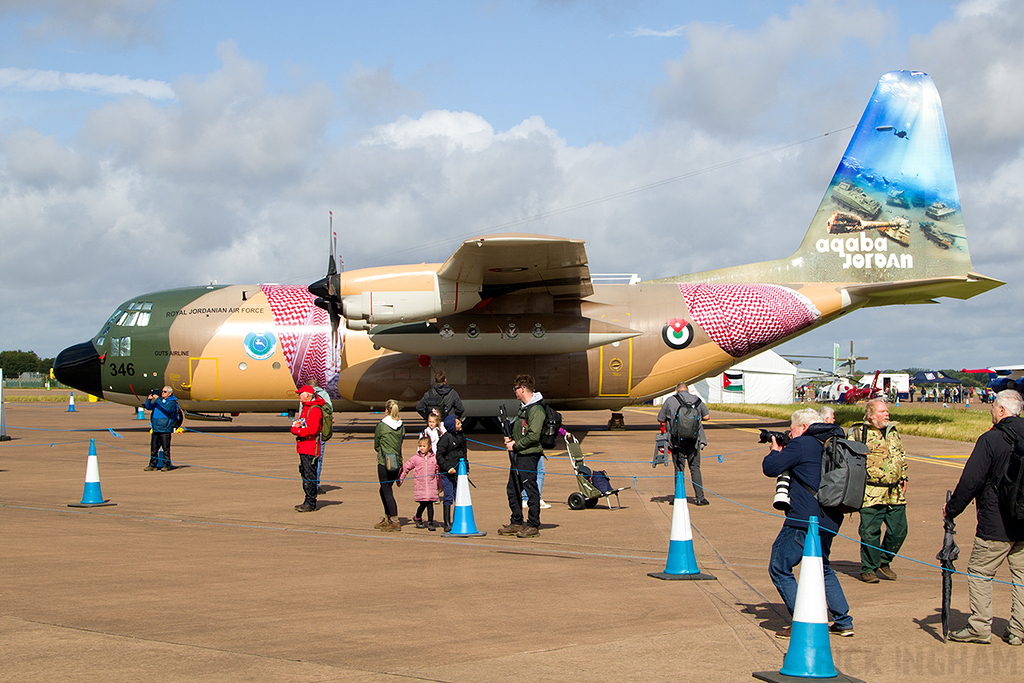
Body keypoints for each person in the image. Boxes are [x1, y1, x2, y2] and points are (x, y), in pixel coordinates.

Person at [762, 408, 854, 639]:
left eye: (793, 430)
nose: (790, 434)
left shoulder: (803, 444)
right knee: (822, 567)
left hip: (804, 518)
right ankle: (843, 620)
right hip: (831, 515)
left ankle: (801, 619)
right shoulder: (832, 442)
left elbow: (770, 469)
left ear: (803, 427)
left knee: (780, 566)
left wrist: (775, 452)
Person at [944, 389, 1024, 646]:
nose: (991, 412)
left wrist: (953, 509)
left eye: (993, 408)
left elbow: (971, 481)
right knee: (1022, 577)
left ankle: (980, 626)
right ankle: (1019, 630)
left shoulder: (991, 439)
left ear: (1002, 411)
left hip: (996, 522)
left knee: (980, 571)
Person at [848, 398, 908, 583]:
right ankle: (869, 568)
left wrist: (904, 476)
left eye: (887, 411)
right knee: (869, 531)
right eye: (882, 412)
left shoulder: (892, 432)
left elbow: (901, 455)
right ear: (871, 416)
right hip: (871, 492)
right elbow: (850, 460)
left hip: (895, 492)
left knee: (899, 530)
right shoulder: (859, 433)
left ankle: (884, 560)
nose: (887, 414)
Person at [500, 374, 544, 538]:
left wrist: (515, 445)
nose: (515, 391)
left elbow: (534, 436)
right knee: (513, 489)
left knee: (530, 490)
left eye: (516, 388)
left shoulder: (536, 410)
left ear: (523, 389)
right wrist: (510, 435)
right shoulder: (524, 407)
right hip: (519, 454)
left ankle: (533, 524)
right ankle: (517, 521)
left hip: (528, 455)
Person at [656, 382, 711, 505]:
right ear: (688, 390)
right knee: (695, 468)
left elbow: (660, 418)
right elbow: (707, 416)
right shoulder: (696, 400)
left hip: (676, 440)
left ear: (676, 391)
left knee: (679, 469)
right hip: (694, 440)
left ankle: (679, 497)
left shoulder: (670, 400)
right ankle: (700, 498)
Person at [290, 385, 324, 512]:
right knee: (304, 472)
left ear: (308, 395)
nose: (299, 396)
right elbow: (302, 423)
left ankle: (310, 502)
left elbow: (312, 430)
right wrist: (297, 428)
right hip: (304, 446)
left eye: (301, 394)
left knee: (309, 474)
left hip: (310, 447)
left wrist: (297, 431)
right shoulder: (306, 407)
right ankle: (307, 500)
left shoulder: (314, 409)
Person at [374, 398, 405, 531]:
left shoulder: (382, 425)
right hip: (397, 460)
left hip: (384, 461)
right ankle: (388, 517)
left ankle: (395, 520)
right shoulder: (401, 426)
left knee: (386, 490)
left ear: (386, 410)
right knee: (384, 489)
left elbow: (376, 444)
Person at [399, 436, 440, 530]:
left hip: (431, 485)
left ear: (429, 447)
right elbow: (406, 468)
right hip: (420, 486)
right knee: (423, 504)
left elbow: (438, 472)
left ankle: (430, 522)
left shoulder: (434, 458)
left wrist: (440, 484)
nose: (421, 448)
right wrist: (400, 479)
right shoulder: (415, 458)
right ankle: (418, 517)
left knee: (430, 504)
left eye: (424, 446)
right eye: (420, 446)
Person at [436, 414, 466, 532]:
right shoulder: (445, 438)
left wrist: (466, 469)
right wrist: (448, 468)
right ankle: (447, 522)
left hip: (459, 472)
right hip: (447, 473)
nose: (461, 425)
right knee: (448, 496)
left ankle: (457, 519)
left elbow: (464, 453)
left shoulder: (461, 436)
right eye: (458, 423)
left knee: (458, 496)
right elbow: (439, 456)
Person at [144, 386, 180, 471]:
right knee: (154, 448)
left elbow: (167, 409)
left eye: (165, 392)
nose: (162, 393)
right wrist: (148, 400)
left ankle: (166, 465)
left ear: (169, 393)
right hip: (156, 428)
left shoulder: (172, 402)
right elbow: (149, 407)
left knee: (165, 449)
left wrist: (158, 400)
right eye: (162, 391)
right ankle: (152, 464)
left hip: (165, 429)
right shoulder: (159, 401)